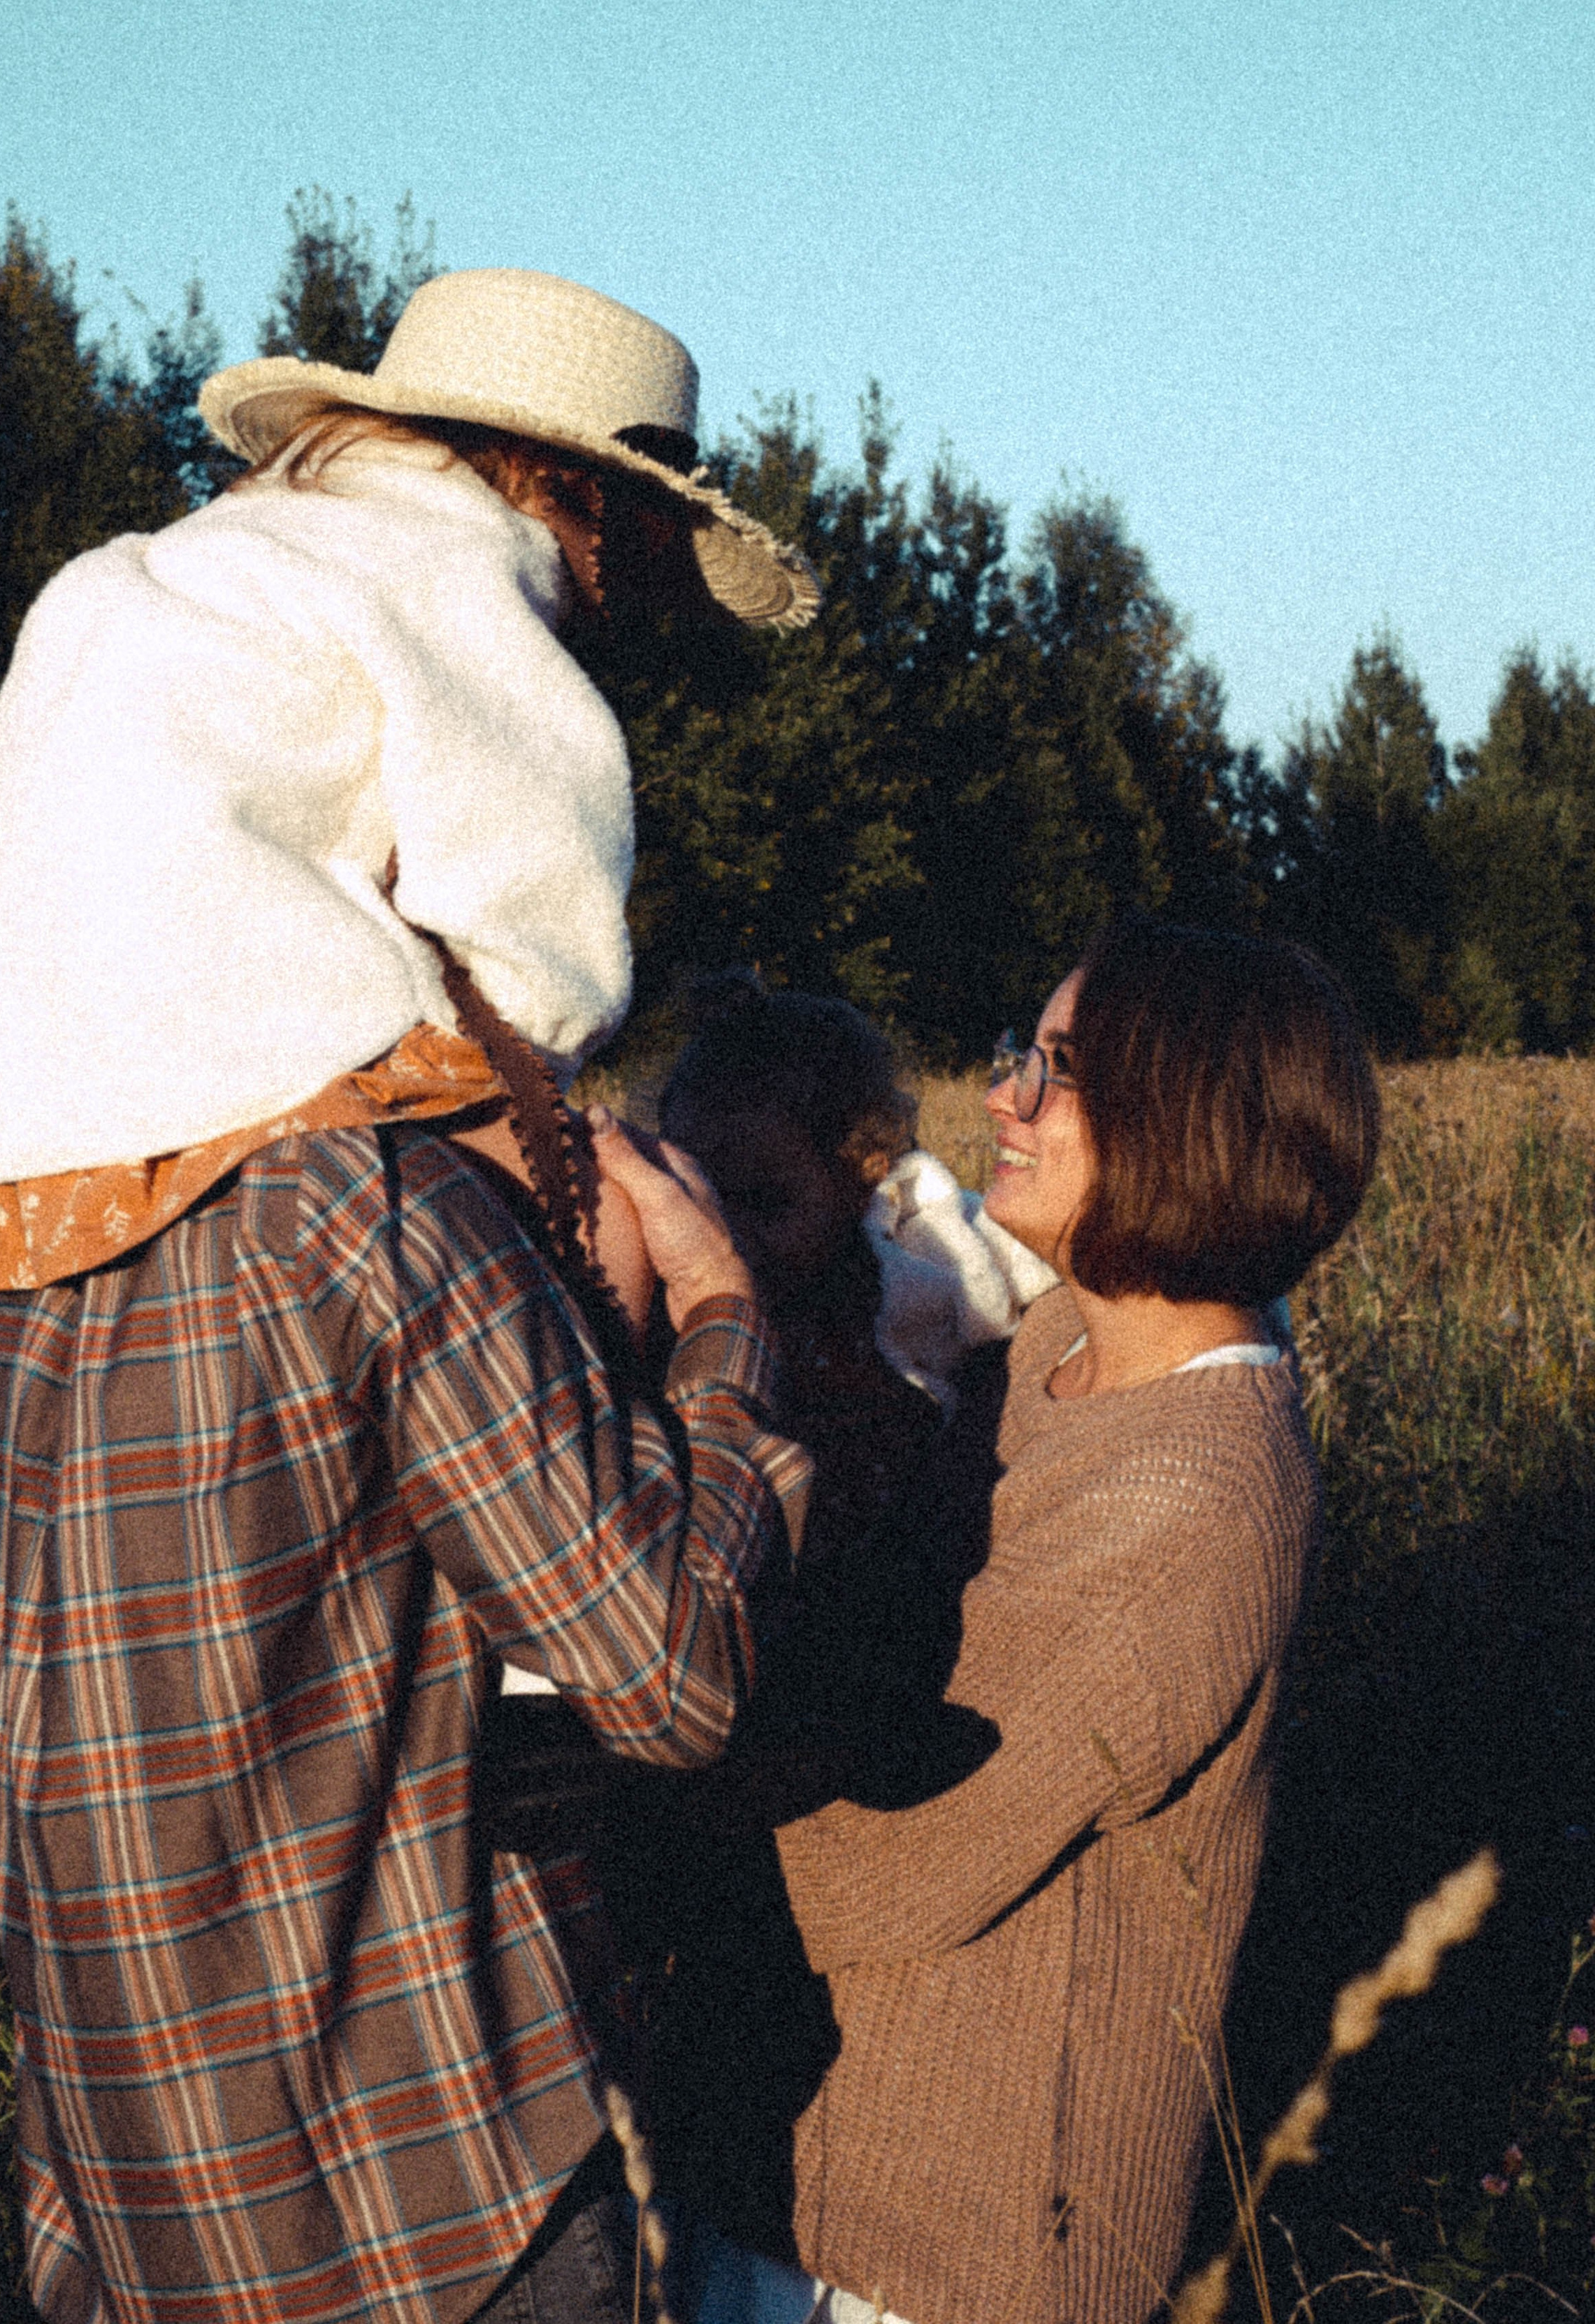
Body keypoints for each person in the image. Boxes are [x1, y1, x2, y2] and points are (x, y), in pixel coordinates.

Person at [0, 267, 823, 2324]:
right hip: (427, 2213)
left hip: (121, 2215)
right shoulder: (368, 1216)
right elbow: (672, 1671)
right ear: (582, 518)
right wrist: (721, 1327)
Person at [763, 916, 1381, 2324]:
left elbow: (887, 1861)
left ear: (1190, 1125)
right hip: (822, 2187)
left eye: (1060, 1070)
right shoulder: (1059, 1344)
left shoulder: (1192, 1493)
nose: (1002, 1098)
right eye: (1017, 1054)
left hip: (950, 2249)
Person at [575, 979, 1055, 2317]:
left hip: (822, 1706)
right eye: (703, 1198)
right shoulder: (676, 1320)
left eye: (768, 1203)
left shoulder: (882, 1329)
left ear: (862, 1179)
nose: (734, 1241)